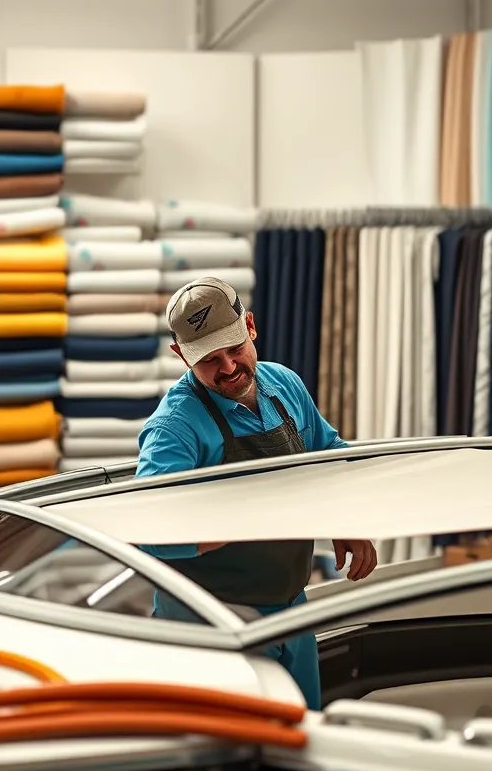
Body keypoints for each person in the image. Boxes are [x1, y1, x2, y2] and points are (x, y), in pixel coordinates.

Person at [136, 275, 376, 710]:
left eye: (233, 348)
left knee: (304, 739)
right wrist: (249, 521)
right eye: (209, 359)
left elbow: (330, 456)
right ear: (180, 355)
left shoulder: (283, 385)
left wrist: (346, 521)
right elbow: (149, 532)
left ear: (250, 325)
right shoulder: (174, 428)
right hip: (211, 629)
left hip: (291, 611)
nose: (228, 368)